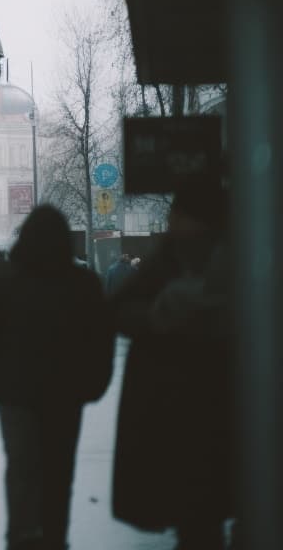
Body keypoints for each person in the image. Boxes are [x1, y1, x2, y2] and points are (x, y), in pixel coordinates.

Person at [0, 205, 115, 550]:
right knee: (59, 466)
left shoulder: (6, 280)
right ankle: (54, 533)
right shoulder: (83, 282)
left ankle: (21, 532)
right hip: (66, 393)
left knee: (21, 464)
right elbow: (100, 338)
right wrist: (96, 384)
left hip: (14, 391)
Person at [110, 184, 235, 549]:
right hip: (219, 405)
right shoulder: (236, 255)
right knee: (205, 510)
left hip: (173, 404)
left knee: (195, 511)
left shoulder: (168, 259)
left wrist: (154, 319)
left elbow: (119, 309)